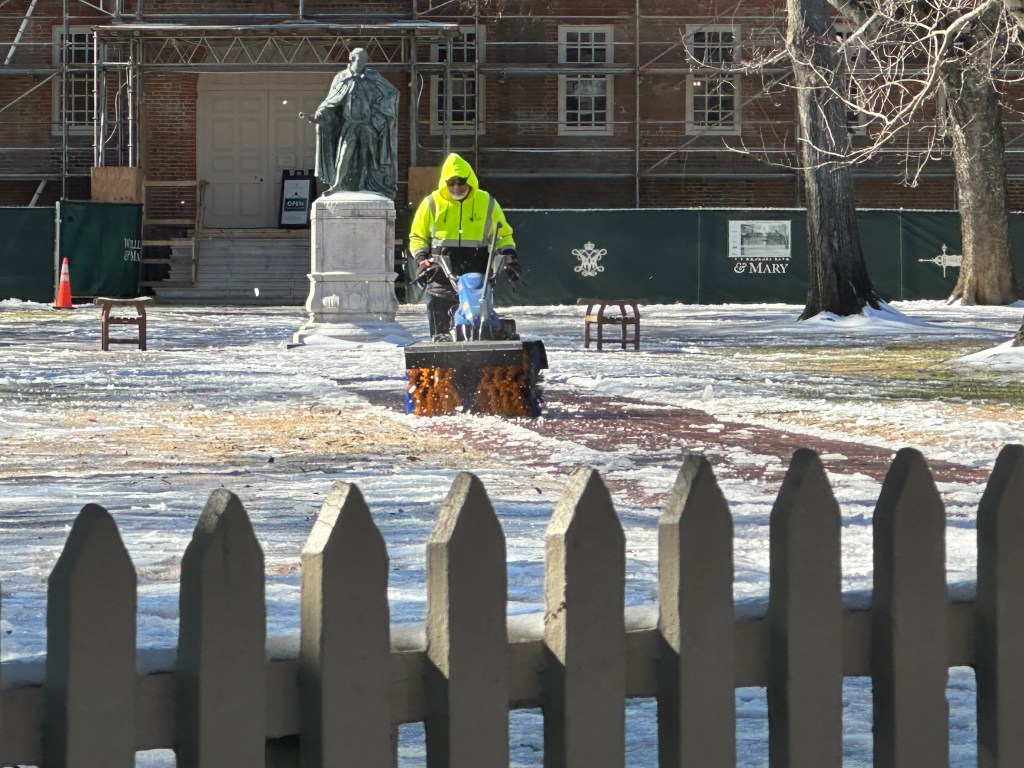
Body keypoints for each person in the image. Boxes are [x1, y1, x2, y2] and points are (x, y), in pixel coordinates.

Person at [408, 153, 522, 338]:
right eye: (451, 183)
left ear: (469, 181)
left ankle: (484, 347)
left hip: (476, 270)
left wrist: (509, 257)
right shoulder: (432, 203)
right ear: (444, 182)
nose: (456, 187)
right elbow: (417, 236)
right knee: (440, 322)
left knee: (478, 318)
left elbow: (503, 235)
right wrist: (421, 259)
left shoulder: (485, 201)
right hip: (440, 271)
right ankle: (440, 353)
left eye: (460, 182)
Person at [311, 48, 399, 199]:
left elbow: (392, 93)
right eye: (360, 61)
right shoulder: (342, 77)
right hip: (350, 125)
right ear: (351, 59)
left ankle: (364, 185)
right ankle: (337, 184)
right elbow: (331, 101)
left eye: (365, 61)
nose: (363, 64)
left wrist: (381, 107)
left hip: (367, 124)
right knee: (344, 154)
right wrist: (319, 115)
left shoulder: (373, 77)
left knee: (369, 156)